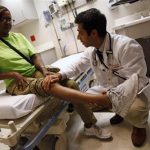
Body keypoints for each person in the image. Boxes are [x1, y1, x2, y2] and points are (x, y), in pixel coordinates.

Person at [0, 5, 112, 140]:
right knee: (49, 85)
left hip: (35, 71)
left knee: (70, 84)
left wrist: (43, 70)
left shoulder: (18, 37)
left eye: (9, 19)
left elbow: (34, 56)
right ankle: (95, 100)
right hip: (17, 81)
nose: (7, 22)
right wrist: (11, 74)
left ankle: (90, 126)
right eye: (2, 19)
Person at [50, 8, 149, 147]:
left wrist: (110, 96)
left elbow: (138, 80)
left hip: (133, 92)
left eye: (81, 33)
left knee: (136, 109)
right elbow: (77, 66)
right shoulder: (92, 51)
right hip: (107, 89)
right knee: (83, 99)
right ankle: (119, 112)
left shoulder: (125, 46)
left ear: (94, 33)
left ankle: (139, 126)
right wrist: (60, 74)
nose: (78, 37)